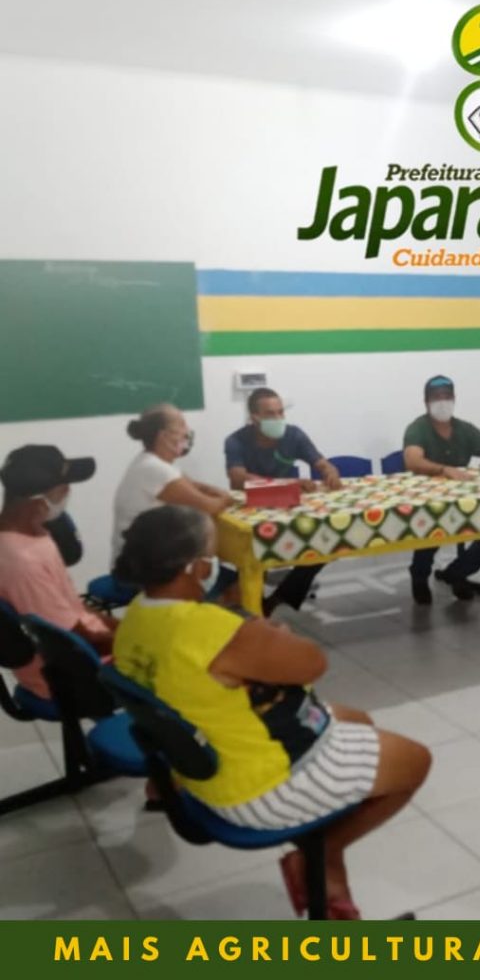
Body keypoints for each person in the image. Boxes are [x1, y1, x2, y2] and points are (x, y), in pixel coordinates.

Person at [113, 505, 431, 920]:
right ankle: (325, 851)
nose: (216, 563)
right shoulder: (209, 628)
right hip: (258, 788)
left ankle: (323, 860)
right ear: (196, 567)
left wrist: (256, 639)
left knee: (358, 720)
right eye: (213, 553)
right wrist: (274, 635)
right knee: (416, 761)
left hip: (202, 765)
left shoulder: (135, 618)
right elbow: (312, 664)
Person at [402, 374, 480, 605]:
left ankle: (457, 572)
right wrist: (443, 469)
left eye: (447, 396)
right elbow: (412, 460)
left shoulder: (464, 429)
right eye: (436, 397)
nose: (442, 401)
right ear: (426, 401)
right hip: (429, 501)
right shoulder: (418, 428)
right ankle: (419, 576)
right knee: (432, 525)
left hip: (463, 499)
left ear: (454, 398)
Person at [0, 445, 114, 699]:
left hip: (79, 650)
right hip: (69, 675)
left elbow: (73, 606)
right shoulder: (22, 562)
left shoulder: (33, 533)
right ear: (39, 500)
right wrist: (139, 643)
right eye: (63, 488)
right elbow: (70, 640)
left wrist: (125, 628)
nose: (68, 492)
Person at [224, 388, 340, 613]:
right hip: (251, 507)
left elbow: (322, 463)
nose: (278, 419)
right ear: (254, 417)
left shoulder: (293, 435)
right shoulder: (236, 440)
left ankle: (278, 599)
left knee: (326, 541)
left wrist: (330, 472)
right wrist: (289, 484)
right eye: (270, 414)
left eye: (281, 412)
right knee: (255, 558)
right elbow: (237, 478)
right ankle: (253, 608)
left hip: (287, 505)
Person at [112, 403, 233, 559]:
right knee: (205, 530)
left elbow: (196, 487)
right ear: (163, 436)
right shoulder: (154, 469)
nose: (187, 431)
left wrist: (220, 494)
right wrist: (225, 498)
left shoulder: (157, 463)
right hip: (141, 565)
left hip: (152, 553)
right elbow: (208, 506)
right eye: (181, 425)